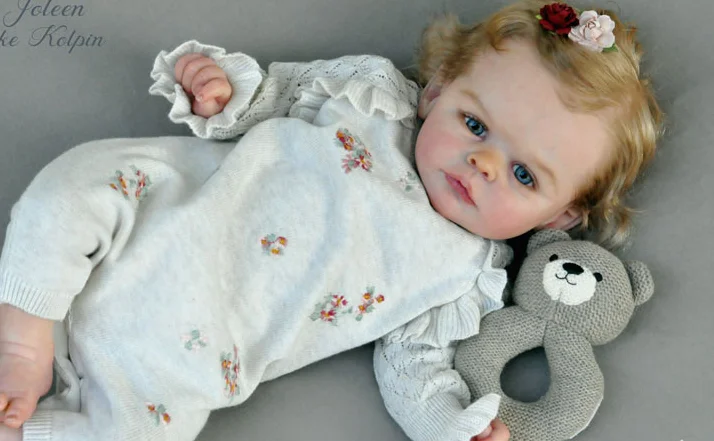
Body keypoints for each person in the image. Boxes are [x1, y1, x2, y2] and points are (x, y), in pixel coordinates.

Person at [0, 1, 662, 440]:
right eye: (475, 124)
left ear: (560, 215)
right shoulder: (371, 99)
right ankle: (24, 337)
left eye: (524, 176)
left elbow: (414, 368)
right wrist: (218, 90)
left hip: (184, 353)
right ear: (437, 90)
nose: (484, 163)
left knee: (140, 428)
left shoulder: (466, 276)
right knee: (72, 190)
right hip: (153, 212)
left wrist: (450, 426)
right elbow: (269, 97)